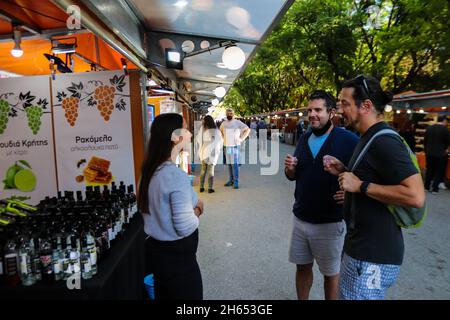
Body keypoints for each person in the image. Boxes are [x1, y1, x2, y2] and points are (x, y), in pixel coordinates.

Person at [324, 75, 425, 300]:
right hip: (361, 251)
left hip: (372, 257)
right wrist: (344, 170)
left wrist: (360, 185)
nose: (340, 109)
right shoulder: (367, 137)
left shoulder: (384, 141)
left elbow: (415, 195)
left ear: (366, 106)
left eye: (345, 103)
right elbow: (370, 176)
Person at [284, 90, 358, 300]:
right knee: (302, 268)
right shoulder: (304, 138)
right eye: (310, 110)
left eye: (318, 110)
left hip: (330, 222)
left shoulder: (348, 140)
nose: (312, 114)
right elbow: (293, 175)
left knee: (330, 275)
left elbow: (362, 175)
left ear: (331, 112)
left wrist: (352, 192)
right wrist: (290, 169)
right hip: (300, 219)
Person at [138, 113, 204, 300]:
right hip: (179, 263)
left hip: (159, 259)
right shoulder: (174, 175)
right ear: (175, 137)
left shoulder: (148, 171)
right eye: (186, 128)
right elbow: (185, 226)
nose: (190, 134)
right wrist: (198, 208)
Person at [220, 108, 250, 189]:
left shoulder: (237, 122)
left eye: (231, 113)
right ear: (226, 114)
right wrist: (224, 139)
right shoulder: (223, 123)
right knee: (229, 164)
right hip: (227, 146)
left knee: (235, 164)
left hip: (235, 146)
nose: (229, 114)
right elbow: (221, 132)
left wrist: (241, 139)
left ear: (233, 114)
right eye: (228, 113)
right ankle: (231, 180)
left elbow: (247, 129)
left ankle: (236, 181)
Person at [195, 115, 223, 193]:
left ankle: (201, 187)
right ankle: (210, 188)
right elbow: (220, 141)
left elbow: (198, 140)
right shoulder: (216, 130)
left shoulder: (203, 129)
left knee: (203, 170)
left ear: (205, 121)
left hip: (204, 151)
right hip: (213, 152)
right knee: (211, 171)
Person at [424, 115, 450, 194]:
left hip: (429, 153)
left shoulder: (429, 128)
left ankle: (426, 187)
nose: (447, 123)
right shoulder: (445, 130)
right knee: (439, 171)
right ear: (444, 121)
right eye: (447, 121)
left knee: (429, 170)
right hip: (441, 154)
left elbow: (425, 141)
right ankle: (435, 189)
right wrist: (447, 151)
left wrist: (426, 151)